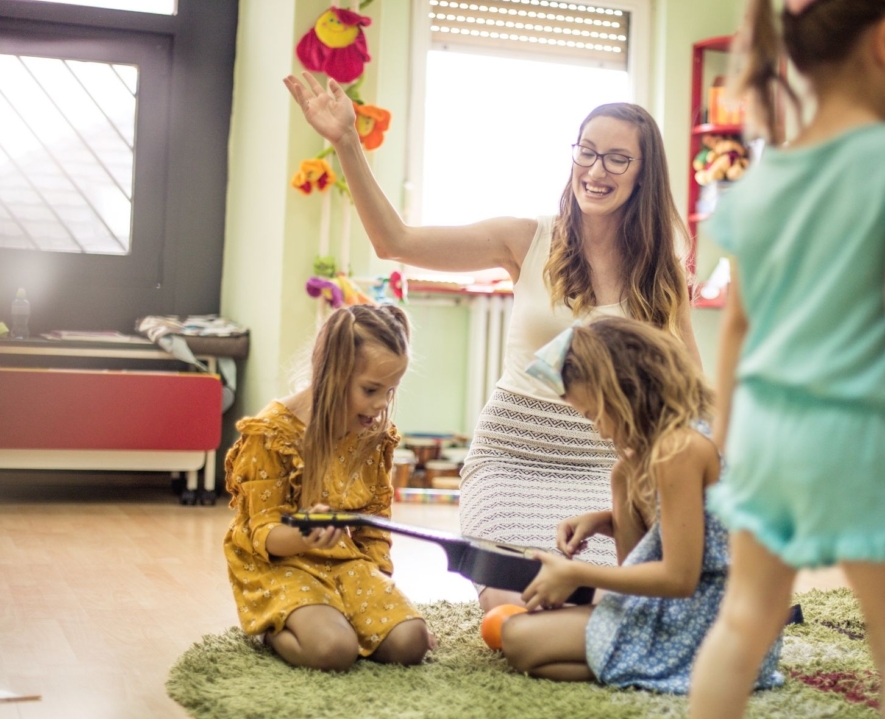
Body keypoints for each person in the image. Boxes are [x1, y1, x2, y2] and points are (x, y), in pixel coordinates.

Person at [687, 0, 885, 717]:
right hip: (850, 431)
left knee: (743, 621)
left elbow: (736, 327)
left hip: (765, 431)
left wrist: (730, 437)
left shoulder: (767, 176)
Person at [284, 72, 702, 610]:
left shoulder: (661, 268)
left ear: (644, 173)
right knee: (513, 608)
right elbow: (395, 242)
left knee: (608, 604)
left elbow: (692, 385)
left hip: (608, 470)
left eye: (618, 159)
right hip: (510, 459)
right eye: (587, 152)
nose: (596, 170)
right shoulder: (527, 239)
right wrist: (346, 141)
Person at [497, 317, 783, 692]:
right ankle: (637, 652)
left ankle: (667, 671)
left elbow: (680, 578)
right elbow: (699, 527)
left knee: (517, 638)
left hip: (713, 622)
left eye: (596, 414)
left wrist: (577, 573)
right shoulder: (683, 436)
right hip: (709, 614)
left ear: (627, 390)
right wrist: (604, 520)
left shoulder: (678, 449)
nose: (600, 430)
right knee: (624, 473)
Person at [223, 304, 433, 672]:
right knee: (333, 651)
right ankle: (270, 628)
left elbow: (374, 517)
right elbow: (261, 533)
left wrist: (379, 584)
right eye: (371, 389)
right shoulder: (272, 433)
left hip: (343, 561)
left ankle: (334, 616)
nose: (382, 404)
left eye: (390, 390)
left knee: (411, 643)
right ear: (333, 375)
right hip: (281, 564)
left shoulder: (372, 435)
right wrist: (304, 534)